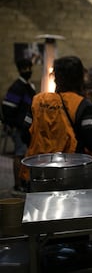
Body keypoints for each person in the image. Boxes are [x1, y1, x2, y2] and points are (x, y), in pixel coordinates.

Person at [21, 56, 92, 185]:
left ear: (55, 76)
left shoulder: (37, 101)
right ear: (80, 78)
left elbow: (24, 135)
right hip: (70, 175)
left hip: (39, 174)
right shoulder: (82, 105)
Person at [2, 58, 36, 192]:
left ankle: (24, 180)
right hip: (19, 128)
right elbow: (7, 109)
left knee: (25, 155)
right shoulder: (17, 87)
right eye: (24, 69)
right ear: (19, 70)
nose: (28, 71)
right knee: (19, 154)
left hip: (26, 127)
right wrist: (15, 125)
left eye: (29, 68)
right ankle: (17, 184)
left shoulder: (28, 86)